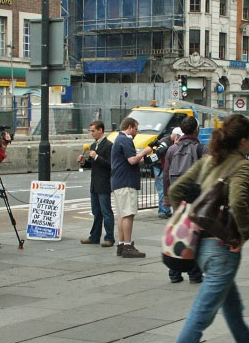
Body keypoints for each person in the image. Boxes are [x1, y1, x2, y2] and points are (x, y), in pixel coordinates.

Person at [160, 114, 249, 343]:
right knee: (201, 315)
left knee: (231, 305)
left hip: (200, 247)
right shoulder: (242, 167)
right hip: (223, 248)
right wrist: (240, 235)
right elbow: (238, 203)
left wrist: (185, 218)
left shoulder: (208, 161)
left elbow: (175, 190)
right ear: (245, 140)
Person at [163, 117, 205, 284]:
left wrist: (167, 198)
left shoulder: (172, 149)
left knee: (179, 232)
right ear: (196, 130)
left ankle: (174, 273)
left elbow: (166, 175)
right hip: (195, 197)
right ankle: (195, 274)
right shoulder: (201, 148)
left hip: (177, 196)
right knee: (194, 235)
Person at [111, 117, 154, 258]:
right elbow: (132, 160)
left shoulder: (118, 139)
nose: (136, 132)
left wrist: (140, 157)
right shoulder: (126, 140)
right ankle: (128, 246)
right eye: (136, 128)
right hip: (126, 182)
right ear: (129, 127)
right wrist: (144, 152)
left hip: (117, 182)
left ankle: (122, 244)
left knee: (122, 215)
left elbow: (128, 159)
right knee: (128, 214)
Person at [79, 120, 115, 248]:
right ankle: (94, 236)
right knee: (96, 211)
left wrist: (96, 157)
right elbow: (92, 164)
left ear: (101, 130)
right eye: (91, 131)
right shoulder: (93, 146)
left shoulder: (109, 145)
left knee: (106, 211)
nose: (91, 133)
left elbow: (110, 165)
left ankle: (109, 237)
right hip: (94, 183)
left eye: (93, 131)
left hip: (104, 183)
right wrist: (84, 161)